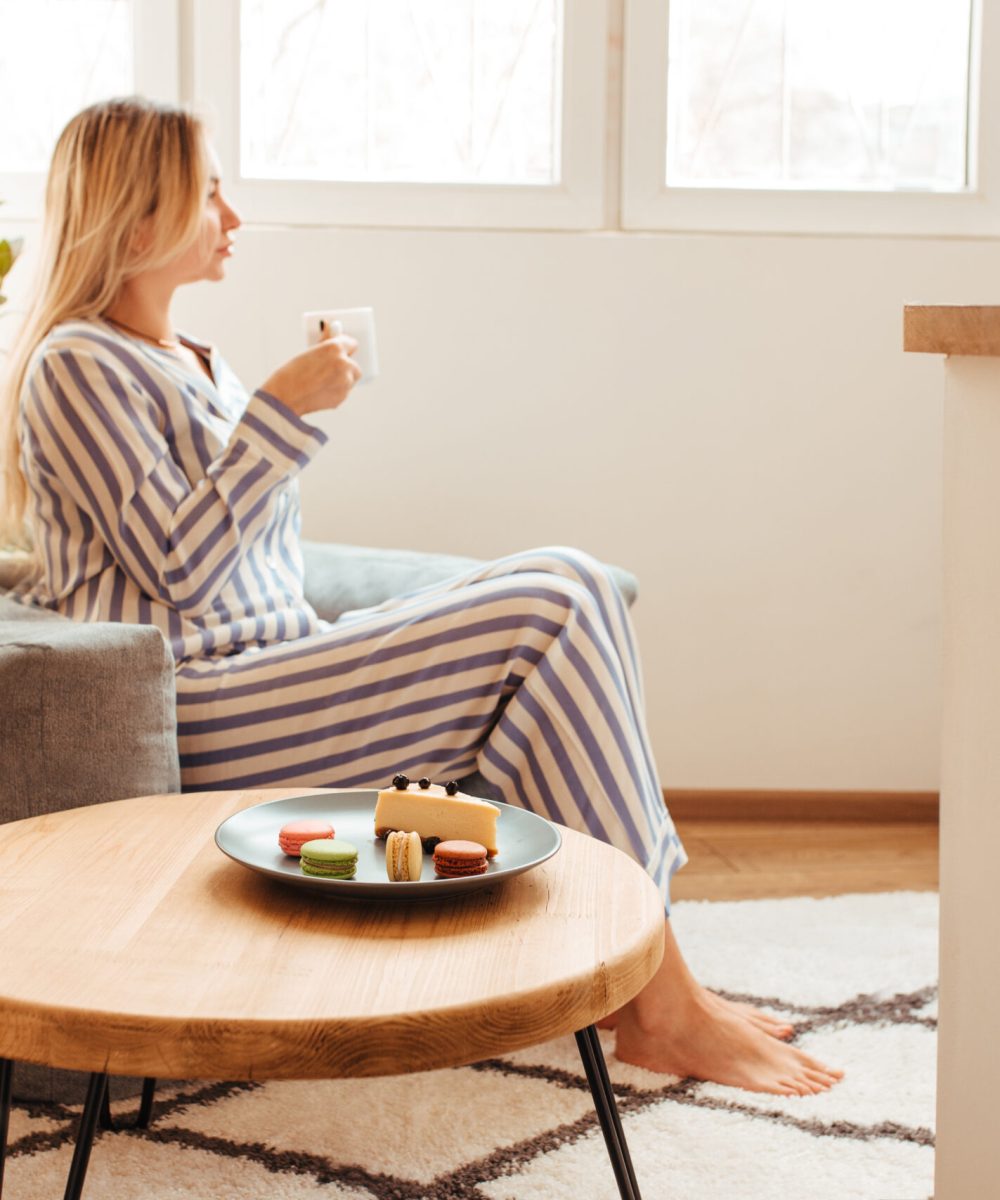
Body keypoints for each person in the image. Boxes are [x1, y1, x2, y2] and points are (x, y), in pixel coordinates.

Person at [0, 97, 842, 1097]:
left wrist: (273, 431)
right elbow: (177, 566)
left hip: (273, 668)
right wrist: (280, 416)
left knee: (567, 591)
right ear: (139, 218)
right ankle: (661, 1001)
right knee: (556, 596)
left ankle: (640, 980)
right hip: (197, 700)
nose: (232, 214)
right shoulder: (77, 363)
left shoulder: (195, 361)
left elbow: (255, 564)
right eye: (209, 191)